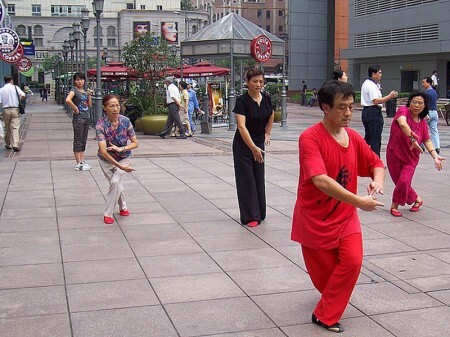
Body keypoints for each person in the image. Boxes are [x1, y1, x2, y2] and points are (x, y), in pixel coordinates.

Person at [291, 80, 385, 333]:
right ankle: (329, 302)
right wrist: (359, 202)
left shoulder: (353, 137)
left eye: (351, 107)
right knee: (326, 280)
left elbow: (376, 163)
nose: (347, 114)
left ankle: (324, 316)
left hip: (345, 217)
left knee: (353, 262)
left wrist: (377, 181)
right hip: (315, 220)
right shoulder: (310, 138)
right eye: (341, 107)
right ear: (325, 107)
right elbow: (320, 180)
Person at [386, 91, 445, 217]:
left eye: (420, 103)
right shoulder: (403, 111)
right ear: (409, 102)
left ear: (424, 106)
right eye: (414, 102)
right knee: (401, 182)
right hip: (394, 153)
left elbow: (427, 140)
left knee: (403, 182)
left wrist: (435, 156)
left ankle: (394, 205)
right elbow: (402, 123)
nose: (416, 105)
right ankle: (417, 200)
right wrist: (413, 138)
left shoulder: (422, 123)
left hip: (411, 159)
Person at [233, 67, 274, 227]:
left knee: (258, 177)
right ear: (247, 82)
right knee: (247, 179)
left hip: (259, 142)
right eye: (254, 81)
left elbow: (271, 114)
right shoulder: (242, 101)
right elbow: (241, 127)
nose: (258, 84)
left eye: (261, 81)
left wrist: (267, 133)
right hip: (243, 144)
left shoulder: (267, 98)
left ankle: (260, 212)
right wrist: (253, 148)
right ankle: (250, 216)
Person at [96, 94, 138, 225]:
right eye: (111, 106)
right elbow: (103, 151)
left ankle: (107, 213)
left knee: (115, 182)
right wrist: (121, 168)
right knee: (117, 185)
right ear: (104, 108)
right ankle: (123, 206)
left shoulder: (125, 121)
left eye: (117, 105)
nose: (115, 109)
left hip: (124, 157)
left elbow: (135, 143)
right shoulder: (100, 125)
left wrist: (122, 149)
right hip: (106, 160)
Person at [360, 65, 398, 157]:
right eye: (379, 72)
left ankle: (362, 156)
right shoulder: (371, 85)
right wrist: (389, 96)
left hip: (368, 111)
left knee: (369, 137)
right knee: (375, 138)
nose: (381, 74)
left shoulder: (368, 83)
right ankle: (375, 160)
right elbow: (375, 100)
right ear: (373, 74)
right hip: (373, 111)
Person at [65, 73, 93, 171]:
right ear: (74, 81)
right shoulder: (74, 91)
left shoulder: (84, 92)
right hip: (78, 118)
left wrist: (89, 95)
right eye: (77, 80)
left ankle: (82, 161)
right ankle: (78, 163)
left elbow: (89, 105)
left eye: (81, 79)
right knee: (78, 139)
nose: (79, 81)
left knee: (83, 140)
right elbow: (68, 100)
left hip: (86, 117)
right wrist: (75, 108)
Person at [0, 75, 26, 152]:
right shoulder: (15, 87)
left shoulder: (1, 90)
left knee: (7, 128)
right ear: (11, 80)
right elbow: (23, 95)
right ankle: (15, 144)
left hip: (5, 110)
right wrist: (19, 100)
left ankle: (8, 144)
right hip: (15, 109)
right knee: (15, 127)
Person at [421, 77, 440, 154]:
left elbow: (425, 105)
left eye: (424, 82)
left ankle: (421, 146)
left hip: (428, 113)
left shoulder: (426, 93)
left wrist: (425, 113)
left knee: (422, 130)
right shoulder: (435, 92)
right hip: (434, 112)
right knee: (434, 131)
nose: (423, 84)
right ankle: (437, 147)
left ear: (428, 83)